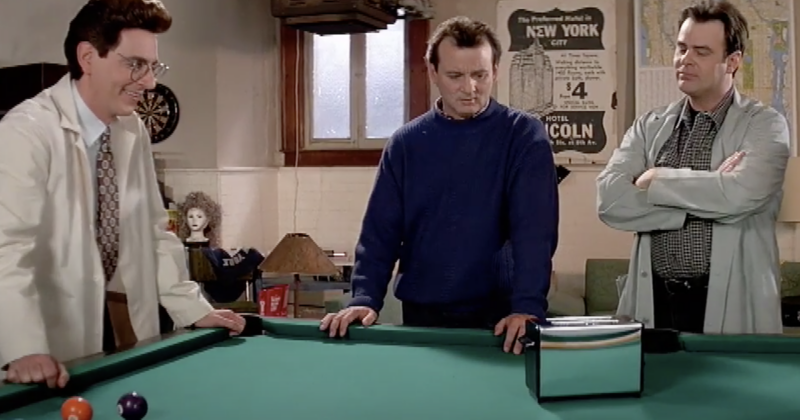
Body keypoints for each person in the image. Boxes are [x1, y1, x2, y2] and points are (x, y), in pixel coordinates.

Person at [0, 0, 245, 389]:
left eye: (152, 67)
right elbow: (7, 250)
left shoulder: (132, 130)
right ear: (87, 57)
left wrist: (191, 308)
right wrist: (23, 346)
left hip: (105, 334)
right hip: (37, 352)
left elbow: (154, 231)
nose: (149, 83)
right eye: (135, 65)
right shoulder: (25, 132)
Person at [320, 16, 559, 355]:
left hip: (501, 317)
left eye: (480, 75)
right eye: (455, 76)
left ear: (495, 70)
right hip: (423, 313)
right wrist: (364, 297)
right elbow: (380, 232)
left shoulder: (523, 136)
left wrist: (528, 306)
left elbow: (534, 233)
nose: (470, 88)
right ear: (432, 72)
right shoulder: (406, 143)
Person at [596, 0, 789, 334]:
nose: (685, 60)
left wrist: (656, 178)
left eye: (701, 52)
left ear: (732, 61)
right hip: (656, 299)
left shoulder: (765, 125)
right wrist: (709, 195)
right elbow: (610, 201)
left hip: (730, 299)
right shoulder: (649, 126)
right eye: (681, 48)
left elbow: (741, 195)